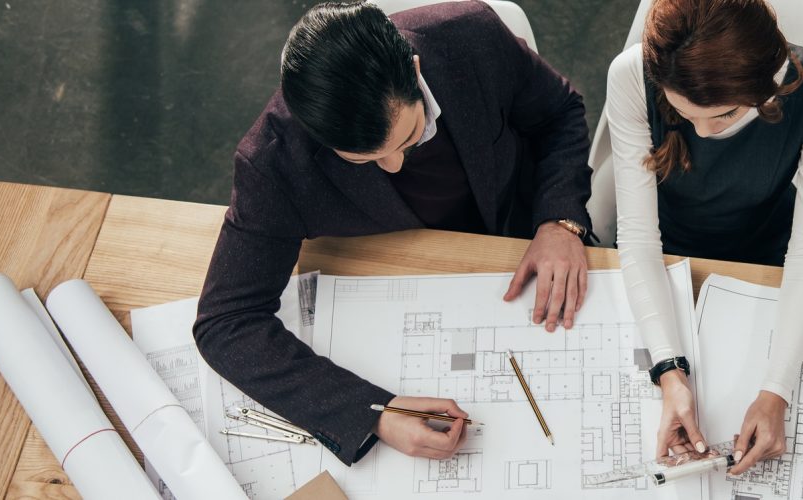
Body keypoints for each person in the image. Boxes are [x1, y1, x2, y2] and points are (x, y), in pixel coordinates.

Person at [194, 1, 595, 465]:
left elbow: (560, 113)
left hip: (521, 235)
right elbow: (226, 322)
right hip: (399, 281)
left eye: (411, 136)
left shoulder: (472, 36)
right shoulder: (274, 161)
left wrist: (559, 220)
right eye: (363, 159)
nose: (396, 165)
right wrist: (373, 413)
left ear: (415, 69)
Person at [605, 0, 803, 474]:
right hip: (667, 251)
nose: (703, 132)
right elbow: (637, 234)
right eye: (686, 114)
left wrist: (777, 387)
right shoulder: (630, 74)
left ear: (769, 84)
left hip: (768, 256)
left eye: (722, 116)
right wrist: (668, 372)